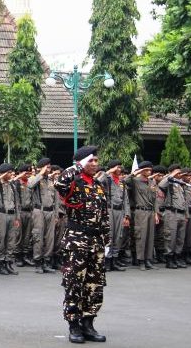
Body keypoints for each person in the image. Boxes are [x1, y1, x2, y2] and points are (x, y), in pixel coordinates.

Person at [54, 146, 109, 344]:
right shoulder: (72, 182)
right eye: (90, 160)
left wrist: (106, 240)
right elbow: (59, 182)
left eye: (96, 160)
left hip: (96, 242)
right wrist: (78, 165)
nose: (95, 164)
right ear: (81, 163)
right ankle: (74, 325)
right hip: (77, 241)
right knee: (74, 283)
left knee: (94, 285)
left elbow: (104, 216)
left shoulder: (98, 185)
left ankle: (88, 323)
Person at [96, 160, 129, 272]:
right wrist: (108, 172)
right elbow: (97, 182)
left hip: (120, 211)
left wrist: (127, 215)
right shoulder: (107, 179)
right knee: (109, 236)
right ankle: (107, 261)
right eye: (117, 167)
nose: (120, 170)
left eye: (120, 167)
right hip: (109, 210)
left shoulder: (121, 182)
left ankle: (114, 260)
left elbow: (126, 199)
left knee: (118, 236)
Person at [125, 161, 159, 271]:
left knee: (150, 236)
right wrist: (135, 173)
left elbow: (155, 199)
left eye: (150, 170)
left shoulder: (152, 181)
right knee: (141, 236)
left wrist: (156, 213)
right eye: (147, 170)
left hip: (150, 212)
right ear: (142, 170)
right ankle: (141, 261)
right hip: (140, 212)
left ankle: (148, 259)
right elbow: (124, 181)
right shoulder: (135, 181)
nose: (149, 172)